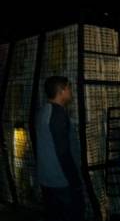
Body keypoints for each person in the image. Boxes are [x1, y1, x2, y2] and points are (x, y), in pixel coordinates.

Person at [35, 76, 84, 221]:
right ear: (61, 91)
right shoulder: (58, 115)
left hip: (47, 179)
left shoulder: (44, 110)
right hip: (62, 181)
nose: (71, 91)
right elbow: (63, 151)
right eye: (68, 87)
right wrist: (75, 180)